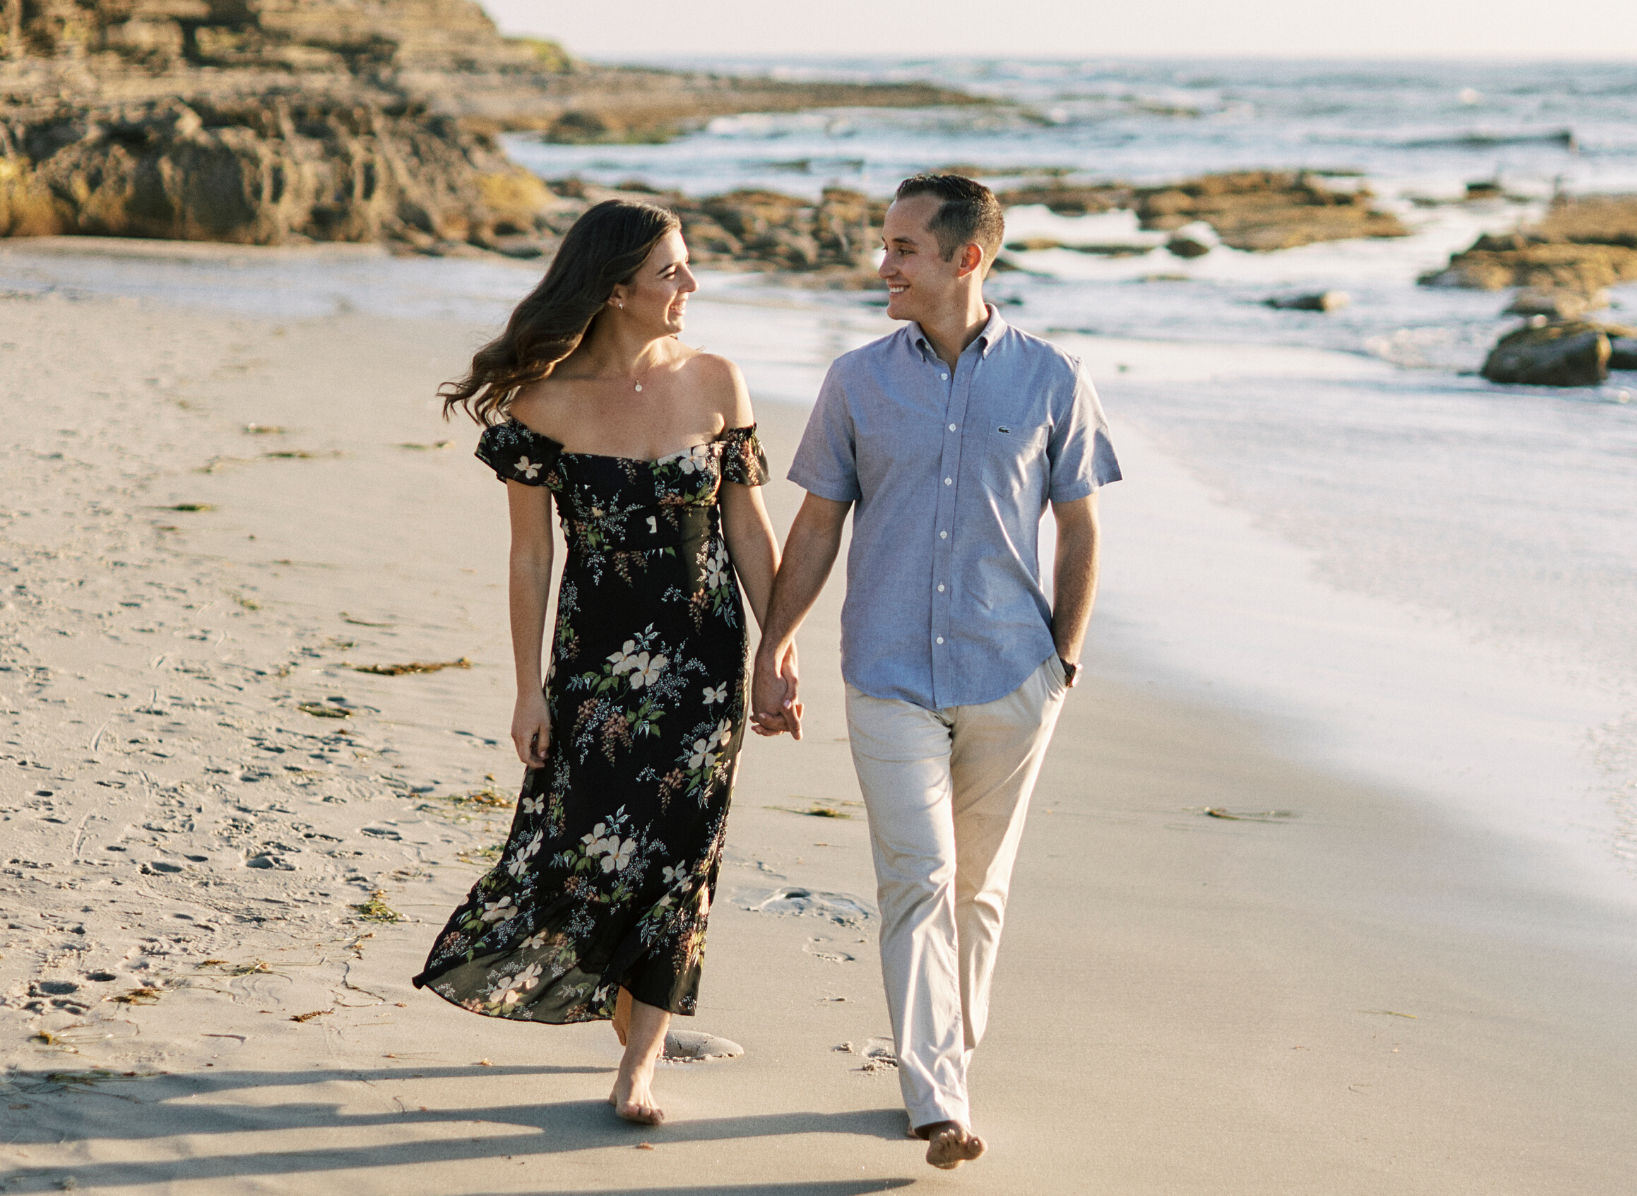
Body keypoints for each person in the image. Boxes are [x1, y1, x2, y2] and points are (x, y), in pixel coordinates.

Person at [750, 173, 1119, 1171]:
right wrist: (773, 644)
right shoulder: (856, 381)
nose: (884, 266)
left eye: (904, 248)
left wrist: (1064, 658)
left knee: (979, 891)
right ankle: (938, 1101)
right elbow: (818, 524)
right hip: (888, 672)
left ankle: (948, 1062)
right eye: (884, 245)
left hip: (1013, 674)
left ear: (968, 258)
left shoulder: (1053, 377)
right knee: (918, 875)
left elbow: (1081, 525)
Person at [414, 199, 780, 1127]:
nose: (690, 286)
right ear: (616, 290)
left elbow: (747, 528)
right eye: (671, 272)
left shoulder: (717, 381)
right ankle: (626, 1004)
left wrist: (778, 653)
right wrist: (528, 687)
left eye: (687, 267)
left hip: (704, 662)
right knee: (584, 846)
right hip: (595, 669)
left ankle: (640, 1065)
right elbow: (531, 556)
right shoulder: (544, 403)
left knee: (685, 854)